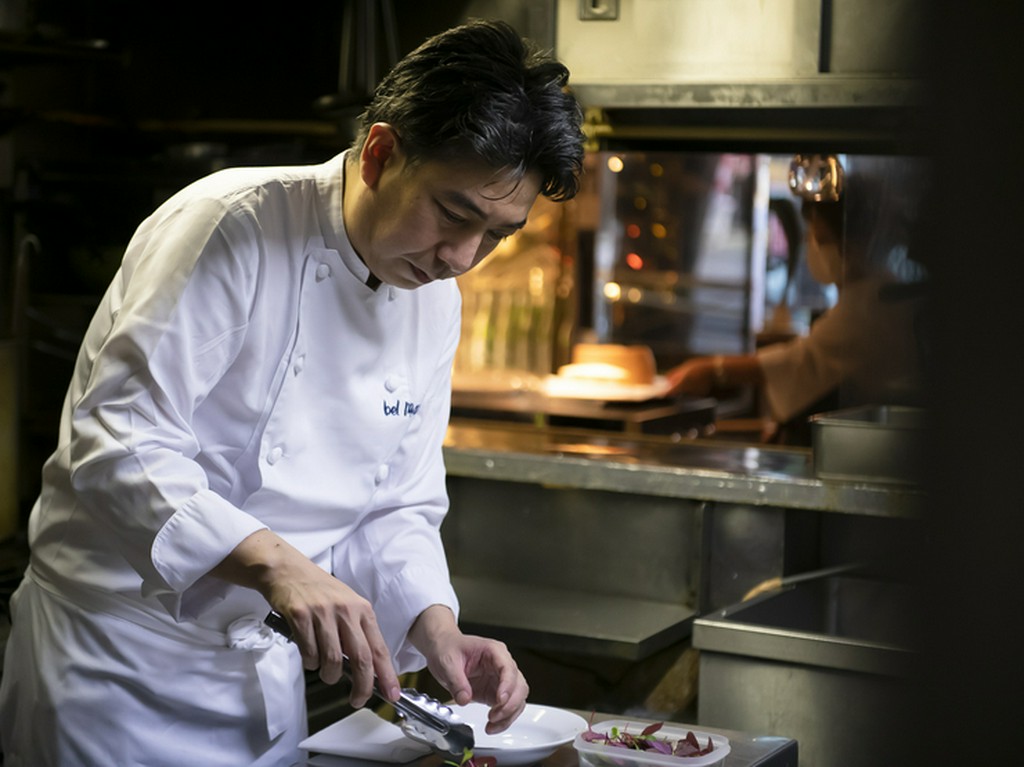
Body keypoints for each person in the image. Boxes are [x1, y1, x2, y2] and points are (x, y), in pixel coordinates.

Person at [0, 19, 584, 767]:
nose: (462, 257)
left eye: (497, 234)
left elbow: (396, 501)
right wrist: (278, 564)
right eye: (454, 213)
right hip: (116, 670)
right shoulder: (230, 225)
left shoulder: (435, 298)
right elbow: (119, 441)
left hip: (259, 674)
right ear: (380, 153)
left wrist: (437, 625)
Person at [666, 158, 924, 444]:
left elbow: (801, 360)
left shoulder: (870, 306)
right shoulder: (875, 292)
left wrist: (713, 370)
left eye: (820, 238)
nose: (812, 247)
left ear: (853, 244)